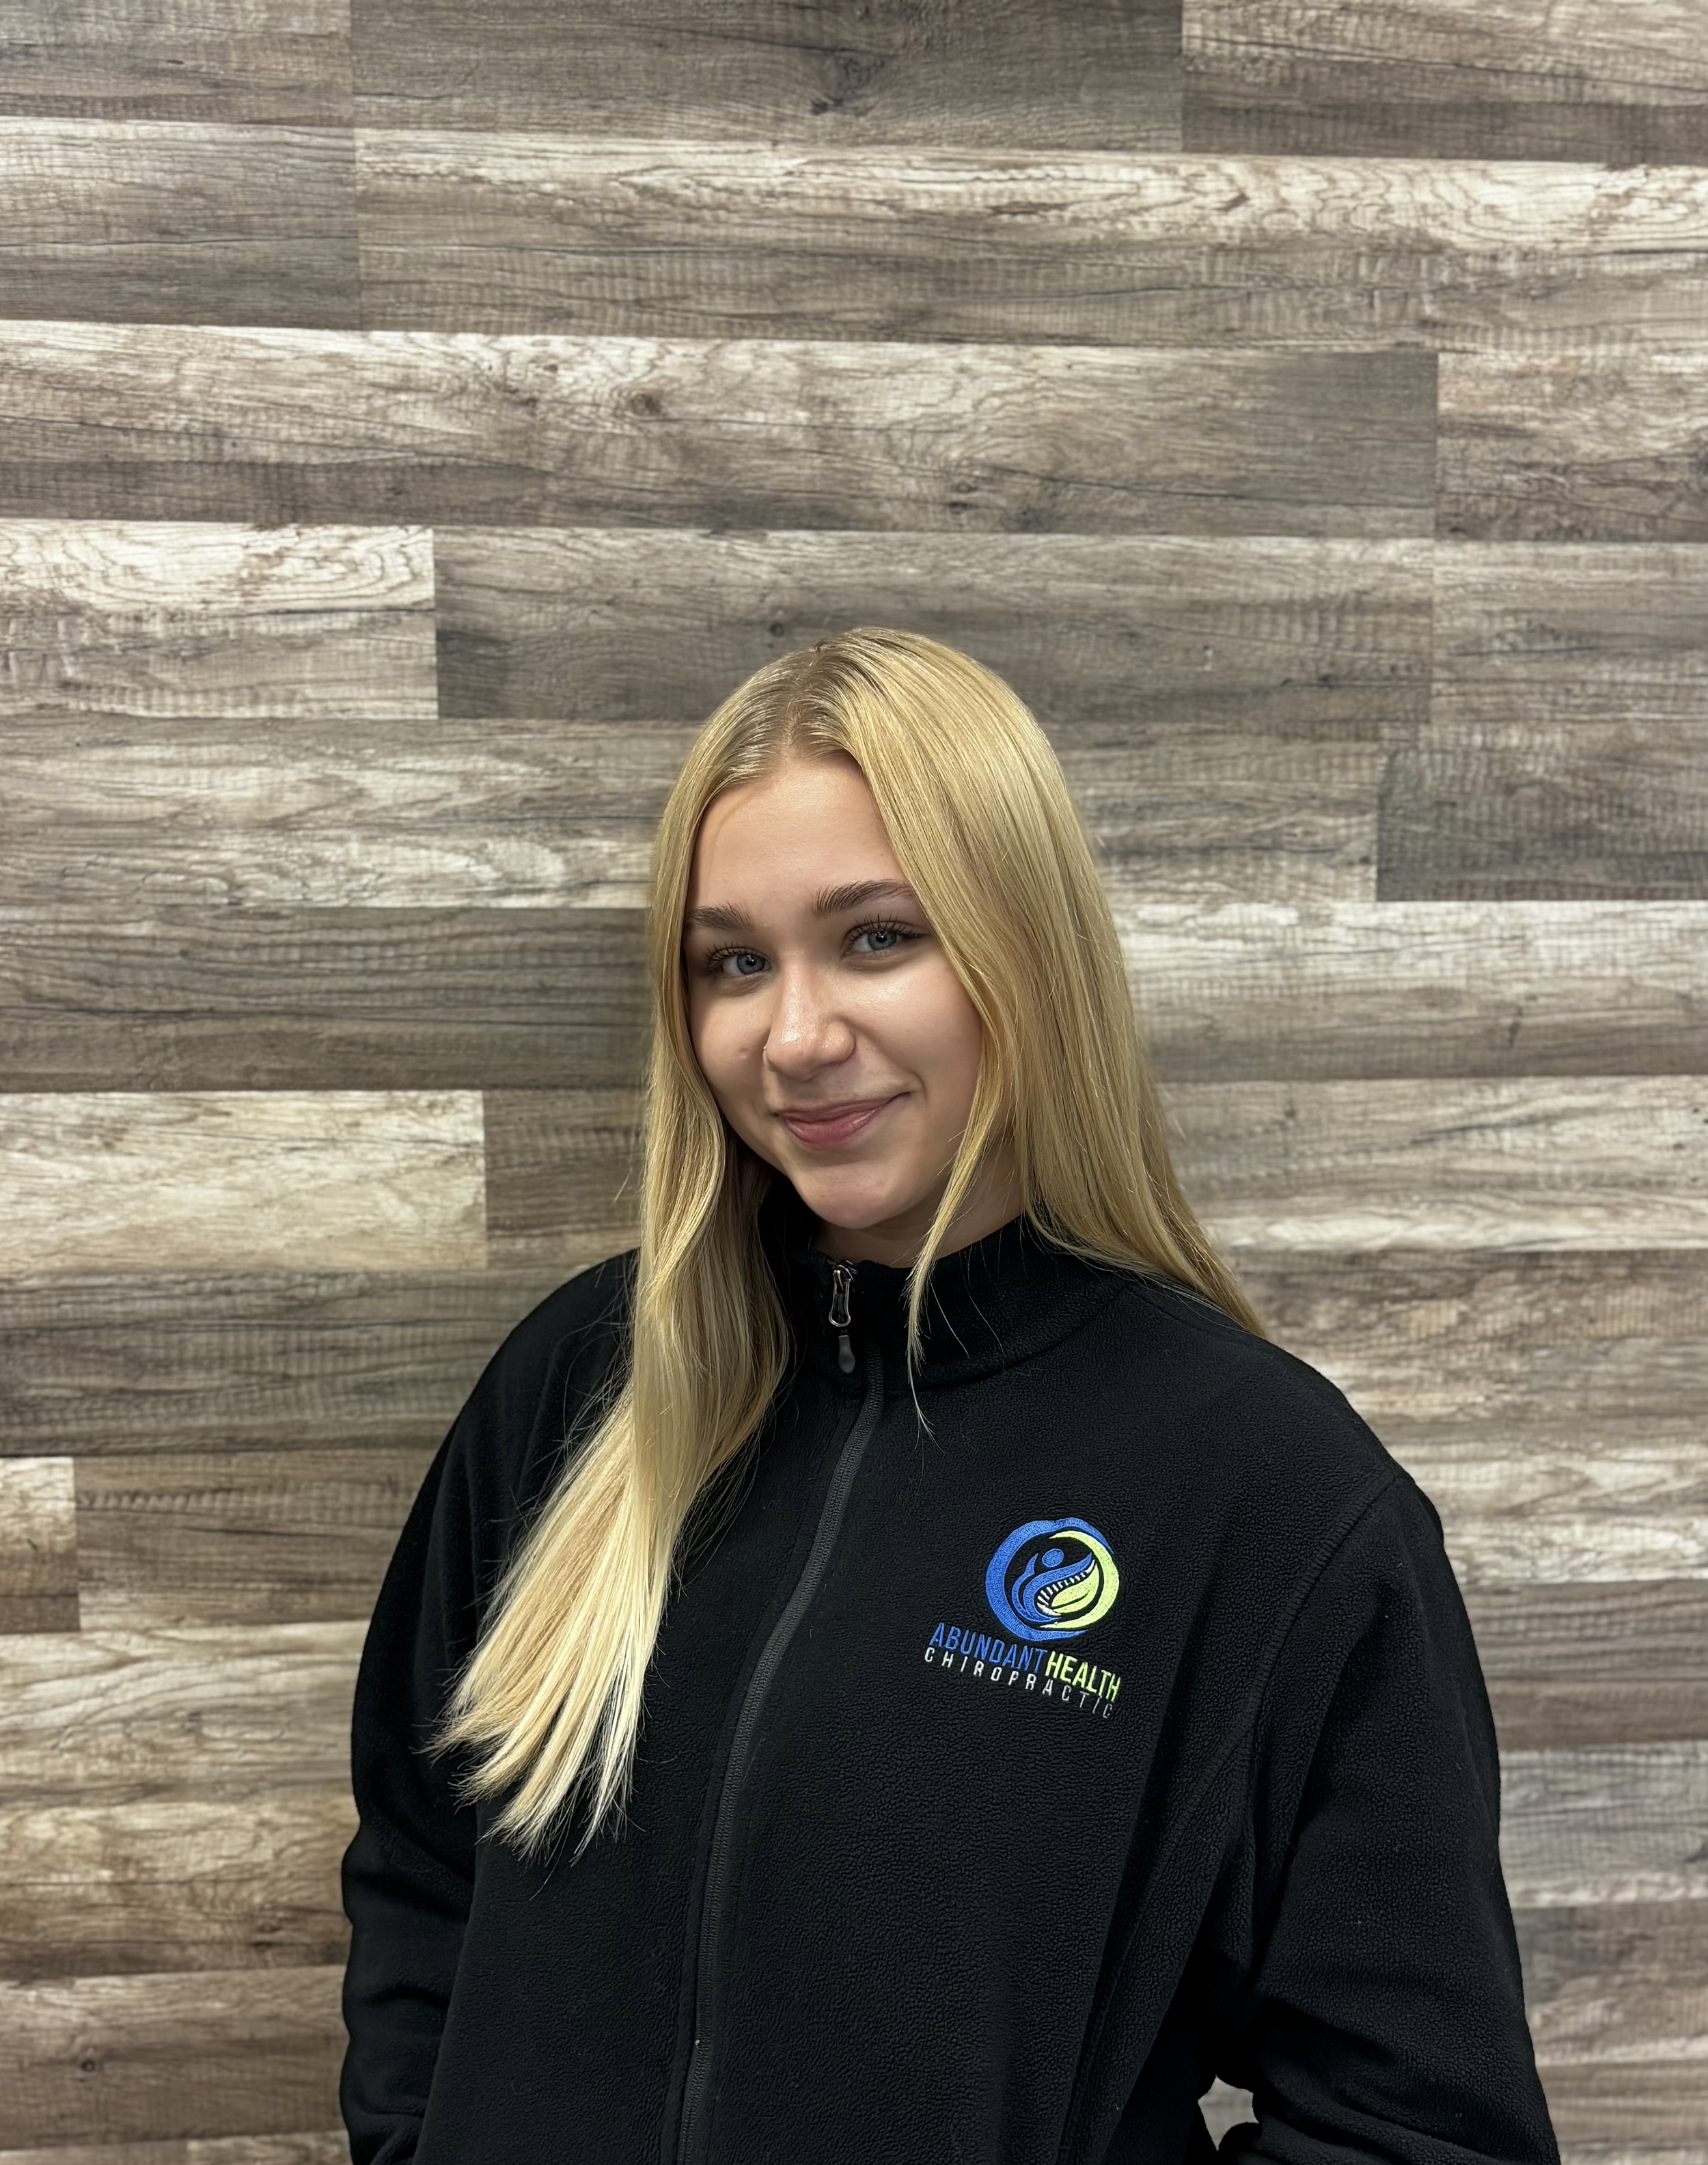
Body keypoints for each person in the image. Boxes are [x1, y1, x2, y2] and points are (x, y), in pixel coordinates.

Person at [338, 628, 1560, 2165]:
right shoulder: (582, 1386)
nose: (790, 1037)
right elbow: (421, 1857)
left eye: (873, 938)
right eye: (732, 961)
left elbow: (1416, 2129)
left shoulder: (1263, 1491)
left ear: (1020, 949)